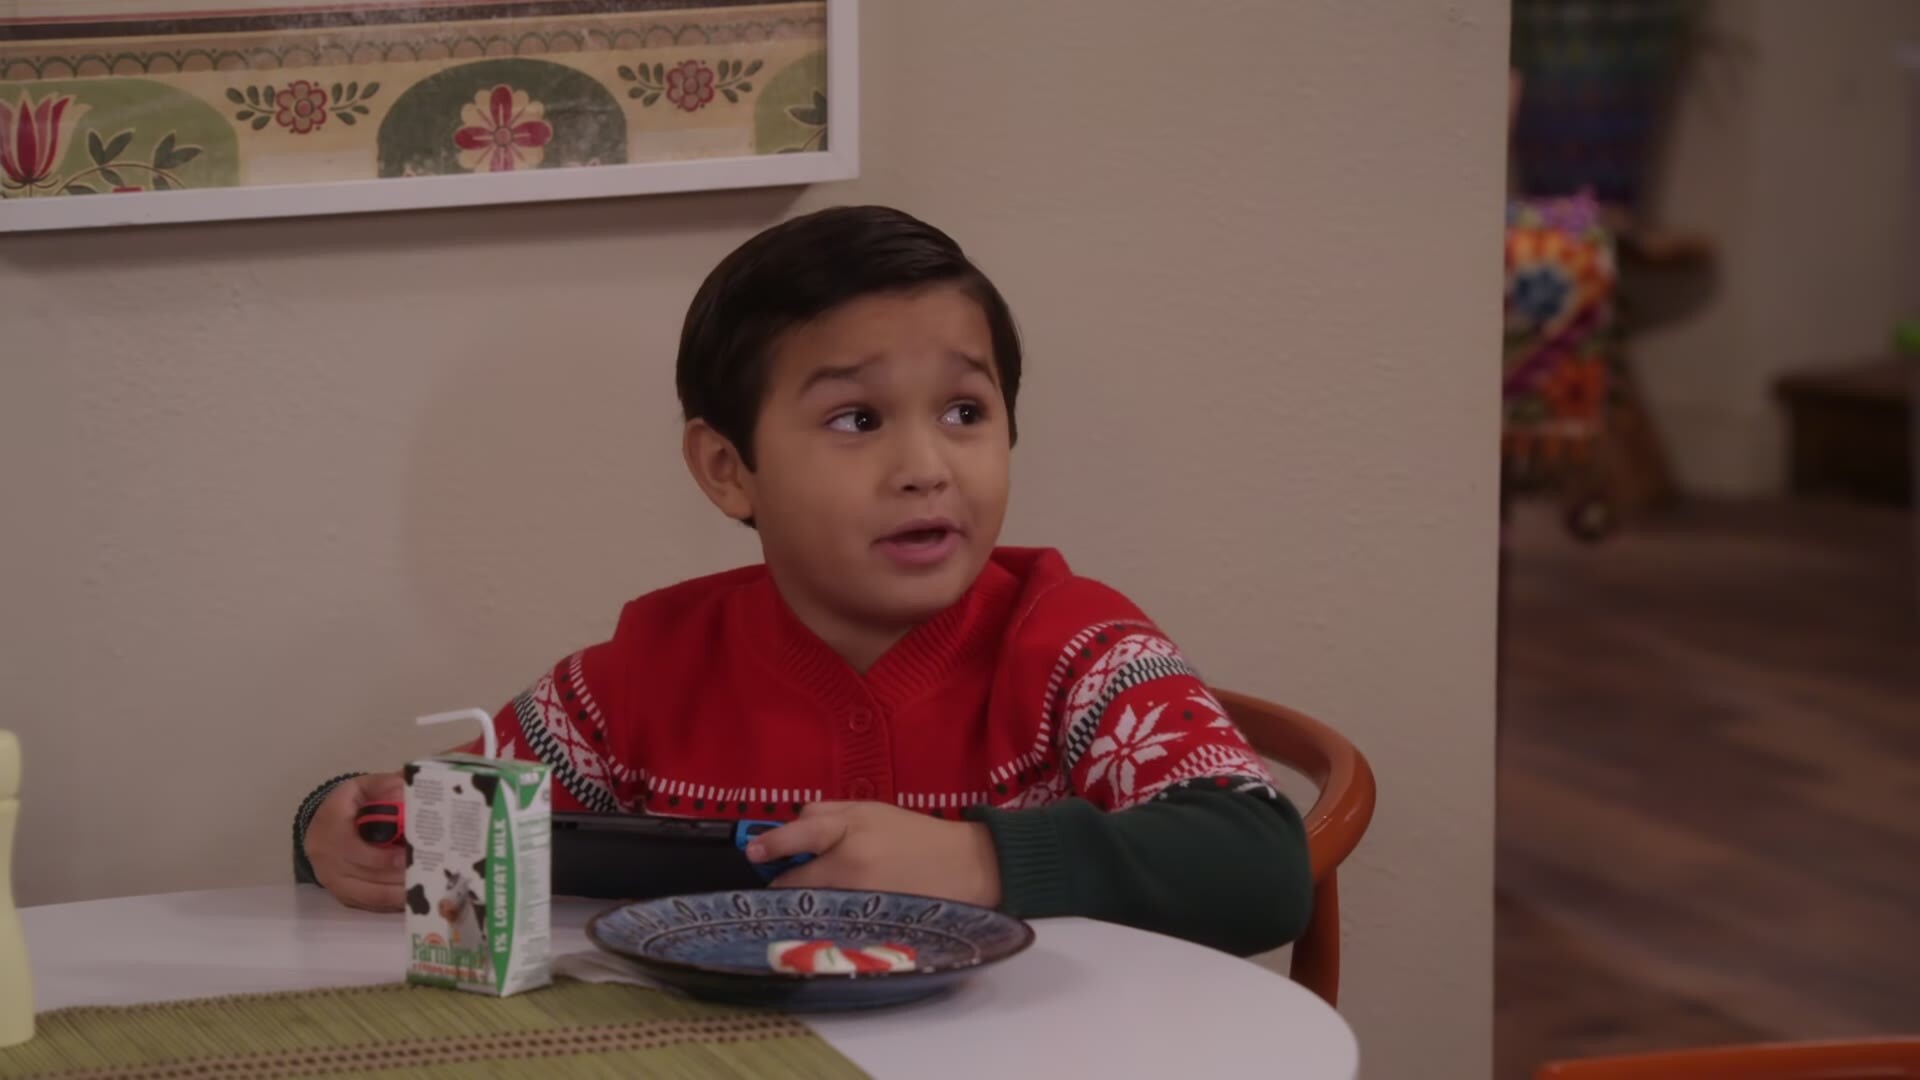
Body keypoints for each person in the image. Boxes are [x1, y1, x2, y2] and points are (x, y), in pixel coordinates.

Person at [294, 206, 1311, 956]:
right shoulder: (643, 674)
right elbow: (450, 826)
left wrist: (976, 862)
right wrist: (339, 826)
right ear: (728, 469)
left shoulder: (1078, 650)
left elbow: (1260, 867)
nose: (926, 466)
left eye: (965, 412)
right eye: (857, 420)